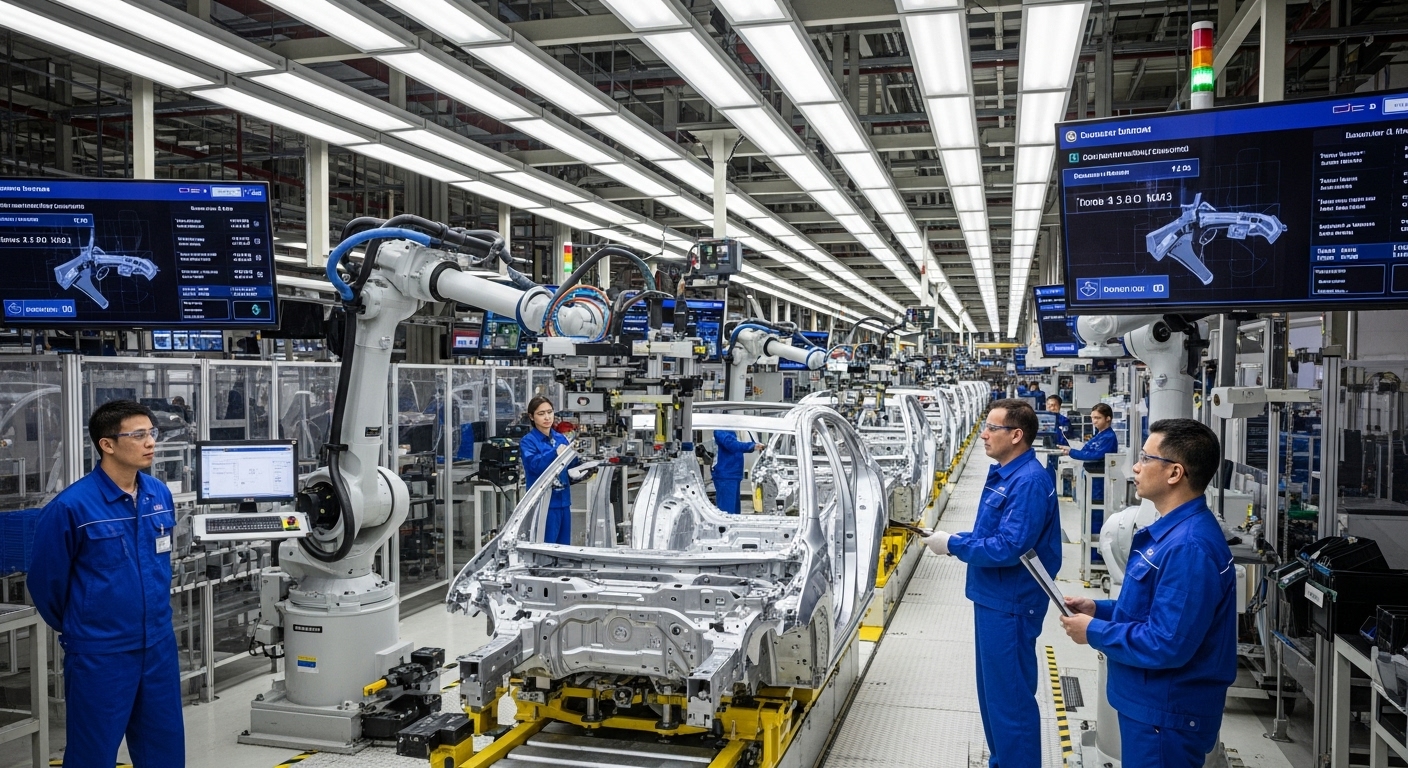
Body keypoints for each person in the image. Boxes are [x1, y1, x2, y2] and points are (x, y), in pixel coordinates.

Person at [1060, 419, 1236, 768]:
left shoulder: (1188, 548)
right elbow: (1152, 611)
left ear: (1174, 473)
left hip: (1165, 716)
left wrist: (1093, 631)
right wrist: (1098, 609)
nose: (1136, 467)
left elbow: (1166, 642)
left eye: (1145, 458)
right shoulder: (1173, 533)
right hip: (1152, 707)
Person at [28, 400, 184, 767]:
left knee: (165, 748)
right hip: (101, 653)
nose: (151, 442)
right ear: (107, 444)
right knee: (93, 754)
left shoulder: (158, 495)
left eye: (152, 433)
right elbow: (47, 584)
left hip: (158, 645)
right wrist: (87, 627)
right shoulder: (71, 508)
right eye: (138, 435)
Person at [921, 399, 1061, 768]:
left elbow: (1009, 546)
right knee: (993, 697)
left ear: (1016, 435)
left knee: (1010, 701)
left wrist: (953, 545)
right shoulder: (1006, 473)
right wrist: (956, 539)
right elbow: (993, 534)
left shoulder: (1028, 481)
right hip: (994, 596)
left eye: (992, 428)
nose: (984, 434)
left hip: (1011, 602)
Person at [519, 396, 582, 545]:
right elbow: (535, 465)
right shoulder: (528, 441)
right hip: (543, 504)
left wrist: (581, 468)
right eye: (541, 414)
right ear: (531, 417)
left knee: (564, 549)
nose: (547, 417)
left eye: (550, 412)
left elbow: (569, 466)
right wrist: (555, 453)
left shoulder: (561, 438)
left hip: (563, 502)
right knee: (545, 548)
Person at [1061, 402, 1118, 502]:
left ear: (1108, 418)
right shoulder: (1099, 434)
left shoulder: (1108, 437)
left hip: (1099, 480)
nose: (1094, 421)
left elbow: (1095, 455)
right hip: (1092, 477)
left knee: (1096, 505)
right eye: (1092, 418)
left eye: (1098, 418)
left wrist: (1072, 452)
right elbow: (1087, 451)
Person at [712, 430, 760, 514]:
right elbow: (732, 445)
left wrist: (753, 446)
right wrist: (752, 446)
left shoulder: (732, 430)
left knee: (735, 512)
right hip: (726, 475)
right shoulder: (721, 429)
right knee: (728, 512)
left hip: (733, 474)